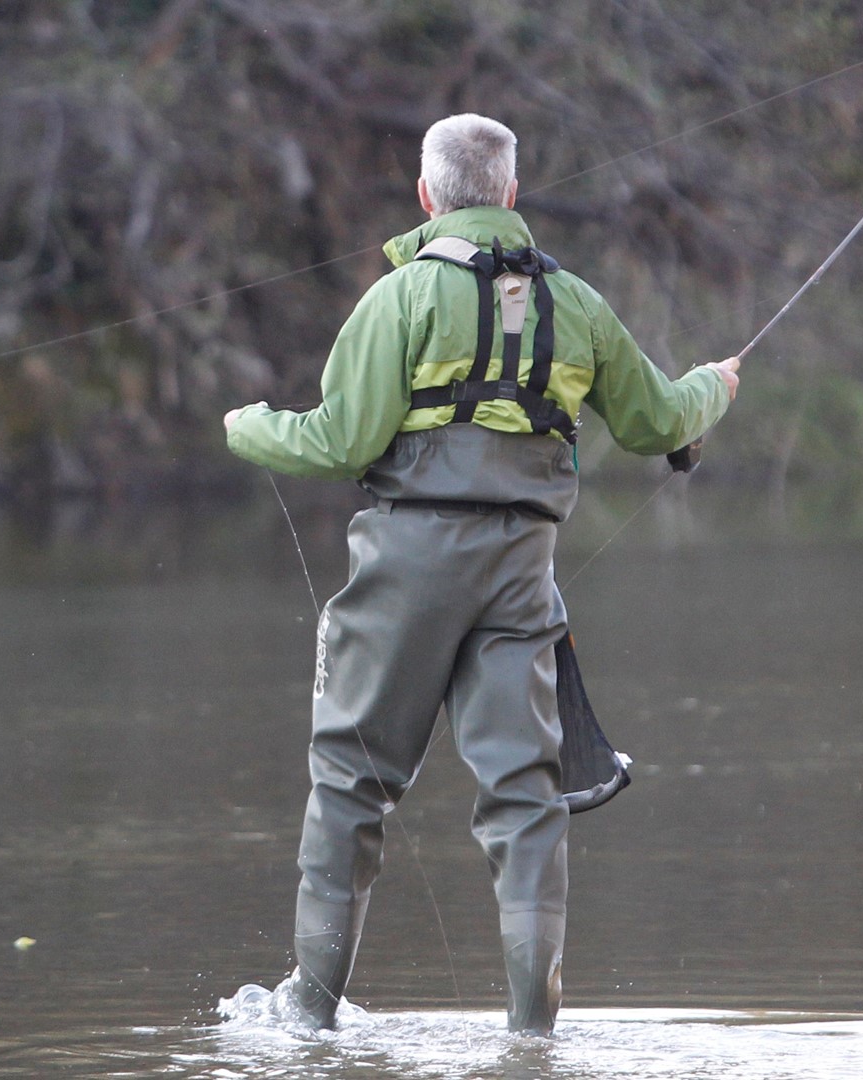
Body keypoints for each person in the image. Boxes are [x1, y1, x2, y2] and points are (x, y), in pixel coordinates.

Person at [223, 113, 741, 1035]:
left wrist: (246, 426)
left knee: (352, 780)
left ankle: (308, 1008)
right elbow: (661, 421)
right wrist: (715, 387)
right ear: (510, 193)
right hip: (522, 571)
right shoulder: (575, 303)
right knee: (525, 795)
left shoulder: (399, 298)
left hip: (408, 565)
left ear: (426, 197)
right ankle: (531, 1032)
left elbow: (340, 440)